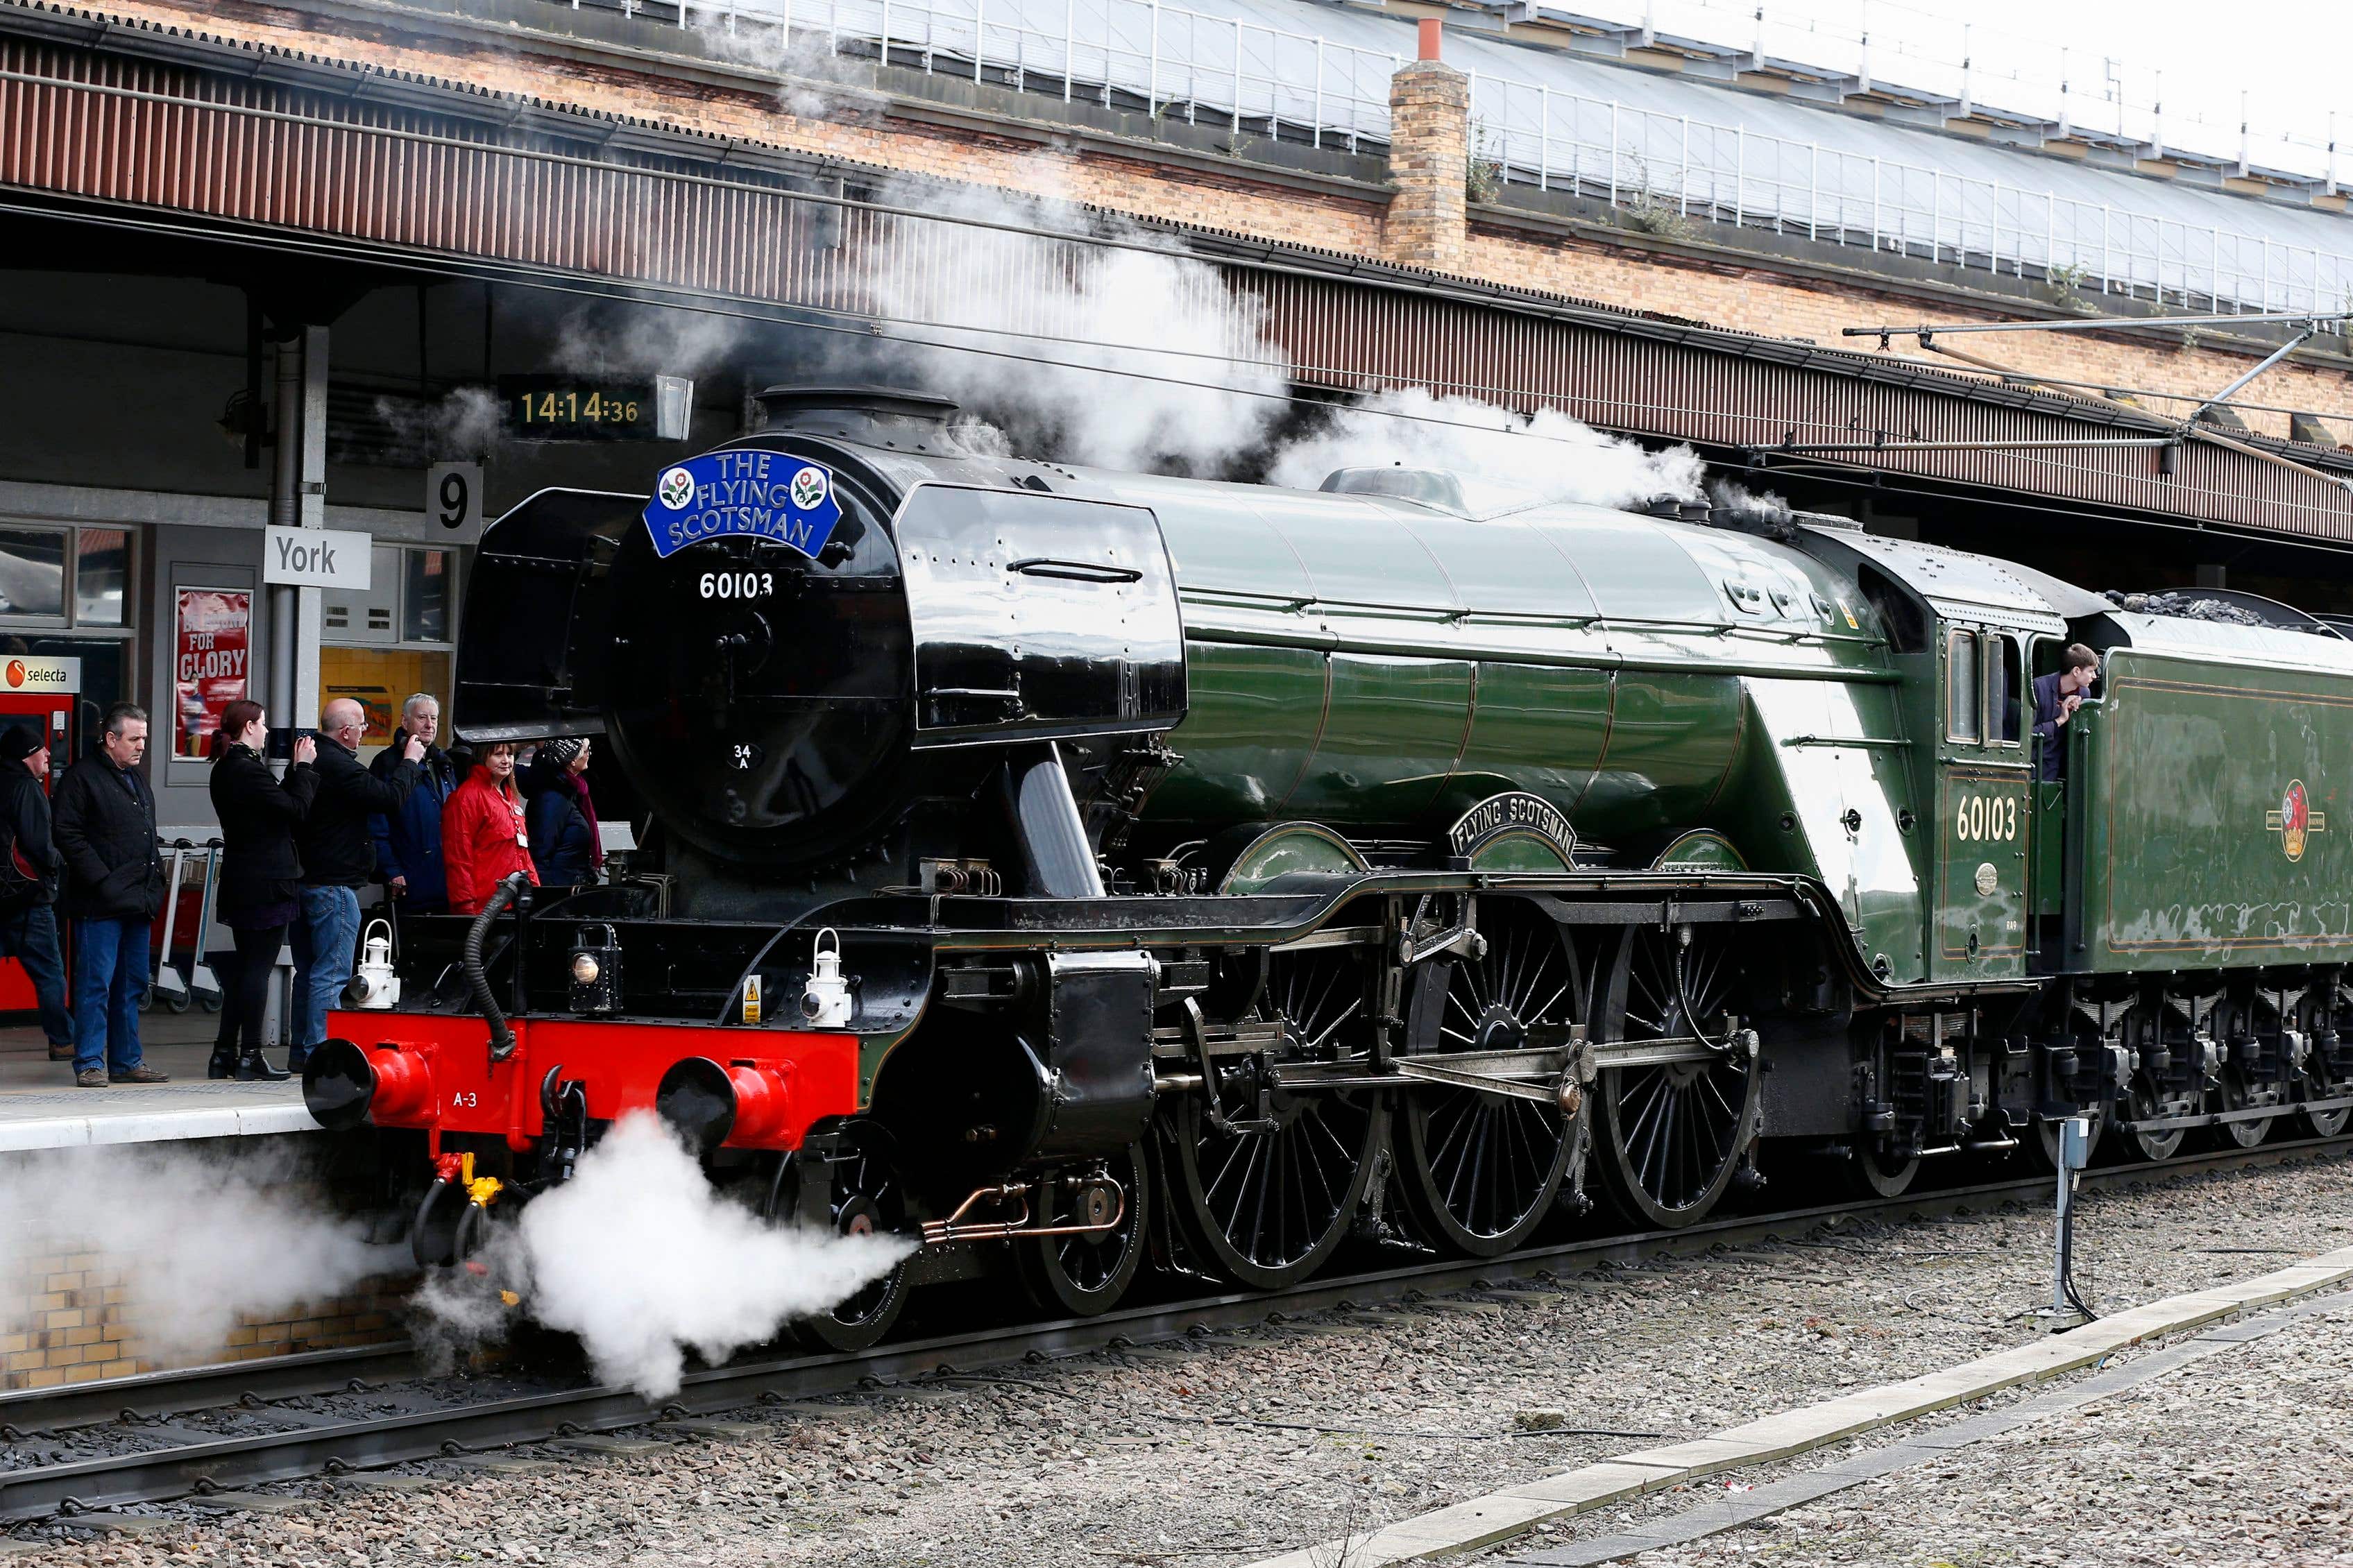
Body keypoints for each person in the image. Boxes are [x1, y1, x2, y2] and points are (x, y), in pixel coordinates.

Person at [291, 699, 422, 1073]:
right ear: (346, 731)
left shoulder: (311, 759)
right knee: (331, 974)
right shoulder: (339, 765)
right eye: (362, 726)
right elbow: (388, 798)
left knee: (309, 972)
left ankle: (302, 1051)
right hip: (334, 885)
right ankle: (322, 1055)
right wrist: (409, 761)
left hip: (306, 882)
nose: (365, 732)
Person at [51, 703, 165, 1087]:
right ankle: (89, 1062)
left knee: (131, 983)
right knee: (95, 984)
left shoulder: (135, 778)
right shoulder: (81, 778)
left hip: (136, 900)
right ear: (111, 738)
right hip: (99, 905)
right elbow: (67, 833)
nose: (142, 747)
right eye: (135, 739)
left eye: (145, 739)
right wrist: (104, 880)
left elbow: (147, 834)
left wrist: (156, 880)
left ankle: (126, 1060)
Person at [206, 701, 318, 1081]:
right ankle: (251, 1054)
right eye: (264, 724)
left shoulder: (226, 769)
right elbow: (297, 809)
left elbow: (274, 807)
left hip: (243, 879)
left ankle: (225, 1051)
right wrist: (303, 768)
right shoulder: (246, 770)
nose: (269, 732)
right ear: (250, 726)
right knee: (257, 969)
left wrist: (290, 773)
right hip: (266, 882)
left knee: (244, 968)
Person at [0, 726, 73, 1062]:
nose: (48, 755)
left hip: (4, 895)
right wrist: (62, 863)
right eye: (41, 750)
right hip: (28, 897)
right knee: (49, 973)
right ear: (27, 755)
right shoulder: (26, 788)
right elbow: (40, 846)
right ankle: (62, 1041)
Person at [370, 694, 457, 914]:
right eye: (422, 718)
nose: (429, 725)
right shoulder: (387, 763)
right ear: (405, 722)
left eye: (434, 719)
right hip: (408, 880)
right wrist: (391, 870)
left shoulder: (444, 764)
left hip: (448, 878)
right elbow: (376, 825)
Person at [442, 742, 538, 916]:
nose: (506, 760)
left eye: (509, 754)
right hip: (484, 907)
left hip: (515, 903)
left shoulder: (510, 798)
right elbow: (458, 857)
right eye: (498, 754)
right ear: (482, 757)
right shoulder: (466, 797)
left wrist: (535, 889)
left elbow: (522, 851)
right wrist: (465, 907)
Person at [524, 736, 603, 891]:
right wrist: (545, 894)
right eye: (586, 751)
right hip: (558, 888)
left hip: (570, 885)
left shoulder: (572, 791)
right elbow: (541, 851)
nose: (588, 755)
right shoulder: (554, 797)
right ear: (573, 760)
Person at [2032, 644, 2102, 781]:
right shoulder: (2039, 687)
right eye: (2091, 671)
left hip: (2061, 763)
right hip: (2035, 761)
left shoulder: (2084, 693)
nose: (2094, 676)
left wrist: (2076, 716)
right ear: (2076, 671)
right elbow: (2029, 734)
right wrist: (2061, 720)